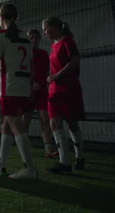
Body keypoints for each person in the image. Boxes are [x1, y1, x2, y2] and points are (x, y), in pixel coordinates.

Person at [0, 4, 37, 179]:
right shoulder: (25, 38)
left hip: (10, 87)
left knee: (16, 126)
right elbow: (32, 66)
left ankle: (30, 169)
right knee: (6, 125)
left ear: (1, 18)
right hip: (24, 87)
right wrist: (31, 86)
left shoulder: (1, 36)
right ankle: (0, 165)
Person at [42, 16, 85, 173]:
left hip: (69, 90)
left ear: (54, 27)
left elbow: (75, 61)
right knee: (54, 123)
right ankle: (64, 163)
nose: (44, 33)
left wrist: (57, 76)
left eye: (45, 29)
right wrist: (51, 81)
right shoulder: (53, 47)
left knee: (72, 124)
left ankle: (79, 157)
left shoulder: (68, 42)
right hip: (54, 91)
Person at [21, 29, 58, 158]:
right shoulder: (24, 54)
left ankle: (48, 148)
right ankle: (23, 147)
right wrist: (29, 85)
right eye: (31, 38)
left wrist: (50, 84)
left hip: (42, 91)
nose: (34, 40)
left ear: (39, 39)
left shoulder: (43, 53)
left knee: (44, 118)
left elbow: (47, 72)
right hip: (28, 91)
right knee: (26, 119)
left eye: (36, 38)